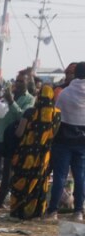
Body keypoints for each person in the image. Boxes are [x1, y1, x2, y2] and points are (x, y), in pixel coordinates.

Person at [8, 84, 61, 220]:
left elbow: (19, 133)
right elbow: (54, 135)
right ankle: (36, 212)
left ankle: (19, 211)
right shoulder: (57, 114)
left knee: (22, 180)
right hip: (44, 155)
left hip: (26, 154)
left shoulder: (30, 112)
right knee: (39, 181)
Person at [0, 78, 29, 209]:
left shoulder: (29, 99)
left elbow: (23, 116)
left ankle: (0, 201)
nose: (18, 84)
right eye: (17, 82)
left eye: (22, 82)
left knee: (7, 173)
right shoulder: (6, 95)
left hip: (12, 140)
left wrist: (11, 102)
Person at [49, 62, 85, 222]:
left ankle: (52, 212)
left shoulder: (65, 93)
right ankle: (78, 212)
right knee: (80, 176)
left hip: (63, 140)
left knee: (60, 176)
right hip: (82, 142)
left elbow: (56, 117)